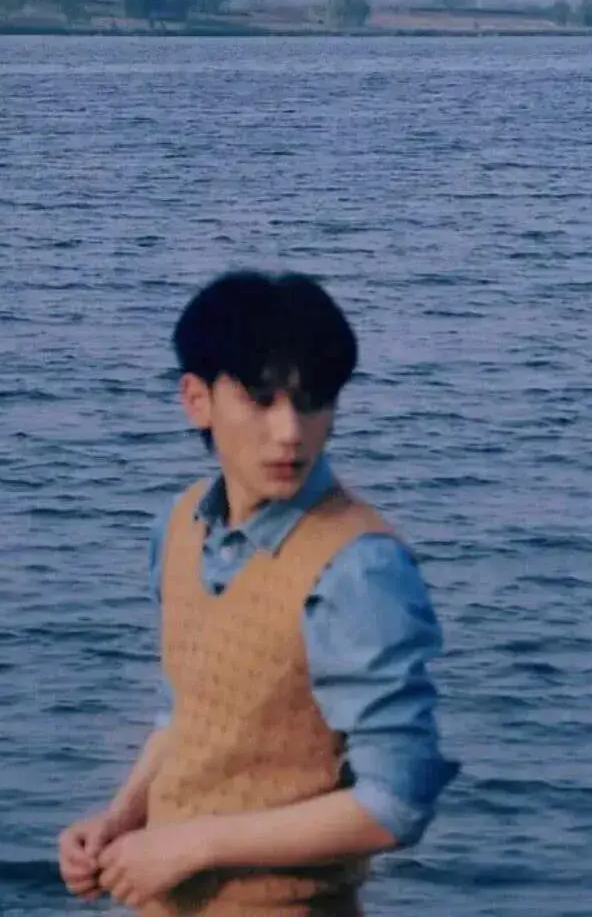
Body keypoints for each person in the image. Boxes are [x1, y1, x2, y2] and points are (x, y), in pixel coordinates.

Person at [57, 270, 460, 915]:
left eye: (312, 401)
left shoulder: (358, 567)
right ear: (197, 400)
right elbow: (187, 714)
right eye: (261, 400)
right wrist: (121, 817)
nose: (290, 432)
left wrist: (195, 845)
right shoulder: (182, 523)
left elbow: (396, 802)